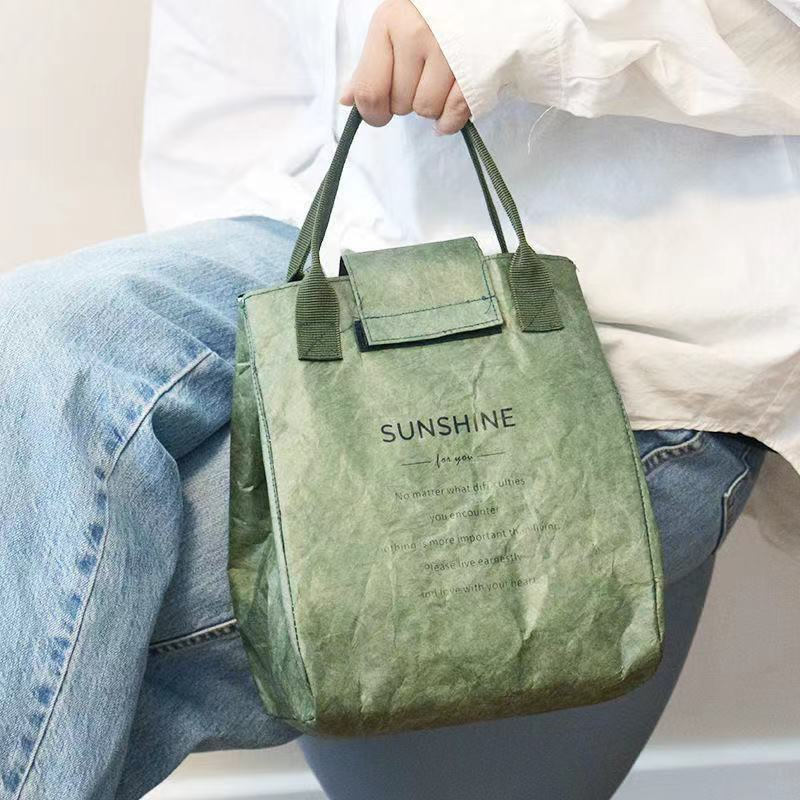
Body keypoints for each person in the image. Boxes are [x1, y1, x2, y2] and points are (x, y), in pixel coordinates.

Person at [0, 1, 797, 798]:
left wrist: (491, 26)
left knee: (71, 621)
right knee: (32, 332)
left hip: (625, 338)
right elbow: (227, 102)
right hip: (327, 238)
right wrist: (263, 387)